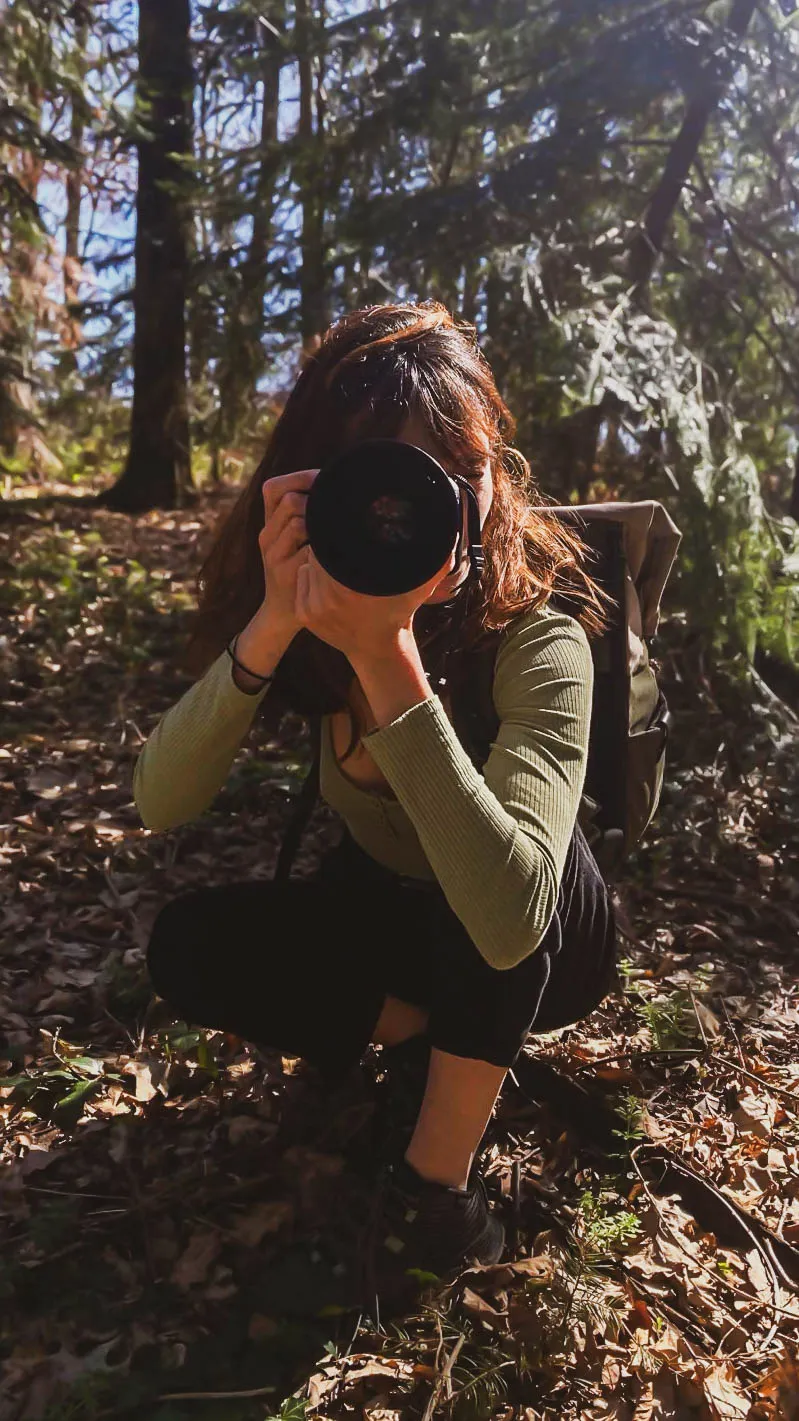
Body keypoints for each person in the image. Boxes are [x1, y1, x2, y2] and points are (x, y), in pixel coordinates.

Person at [136, 302, 617, 1299]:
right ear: (319, 492)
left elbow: (509, 914)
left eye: (457, 480)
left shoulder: (540, 637)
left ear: (492, 485)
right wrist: (274, 622)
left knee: (518, 863)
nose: (418, 514)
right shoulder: (314, 608)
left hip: (540, 942)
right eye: (385, 487)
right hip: (398, 912)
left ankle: (436, 1186)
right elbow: (160, 801)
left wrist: (386, 660)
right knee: (189, 945)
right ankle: (436, 1042)